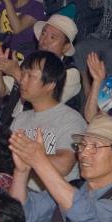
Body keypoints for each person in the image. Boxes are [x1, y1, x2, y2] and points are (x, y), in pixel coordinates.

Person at [10, 51, 88, 189]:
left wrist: (30, 157)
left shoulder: (70, 119)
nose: (22, 80)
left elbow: (64, 165)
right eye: (23, 74)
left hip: (52, 199)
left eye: (30, 76)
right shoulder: (21, 118)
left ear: (50, 84)